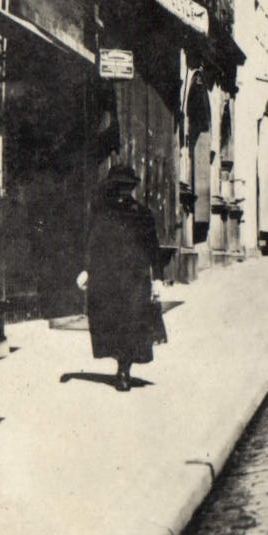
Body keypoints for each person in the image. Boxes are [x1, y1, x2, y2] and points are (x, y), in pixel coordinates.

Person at [78, 166, 165, 392]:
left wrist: (158, 279)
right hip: (107, 278)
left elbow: (153, 248)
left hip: (136, 280)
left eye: (126, 187)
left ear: (132, 188)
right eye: (118, 187)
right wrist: (86, 270)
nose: (122, 192)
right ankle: (120, 363)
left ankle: (124, 370)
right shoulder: (101, 214)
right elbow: (91, 243)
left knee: (132, 323)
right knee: (110, 323)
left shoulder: (143, 214)